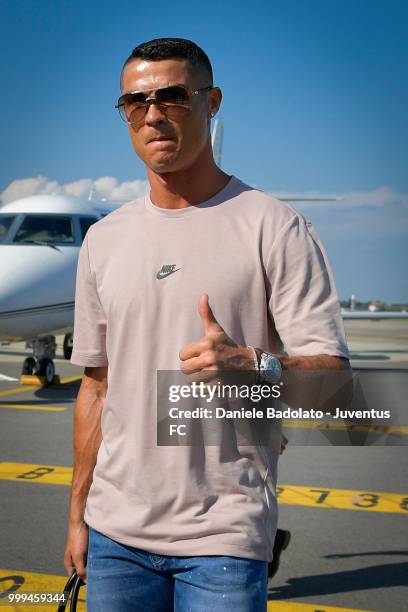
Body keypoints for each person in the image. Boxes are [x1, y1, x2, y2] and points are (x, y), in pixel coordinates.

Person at [64, 37, 350, 611]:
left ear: (212, 101)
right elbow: (97, 386)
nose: (152, 114)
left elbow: (334, 384)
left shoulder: (275, 227)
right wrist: (78, 516)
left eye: (172, 96)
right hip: (114, 535)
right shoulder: (104, 239)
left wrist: (255, 366)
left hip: (223, 537)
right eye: (134, 102)